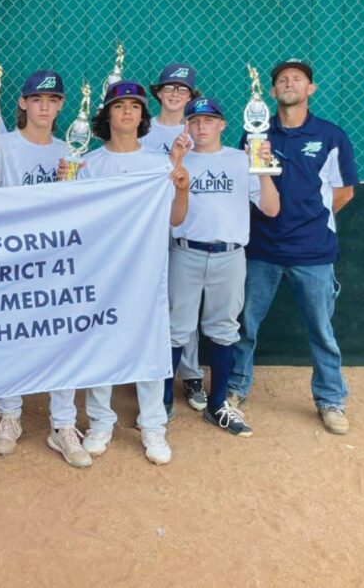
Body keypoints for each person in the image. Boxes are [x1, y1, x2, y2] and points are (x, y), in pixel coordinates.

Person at [0, 70, 92, 467]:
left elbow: (82, 213)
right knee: (10, 338)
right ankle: (9, 416)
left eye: (52, 101)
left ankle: (63, 426)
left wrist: (67, 186)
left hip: (56, 261)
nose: (44, 106)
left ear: (60, 107)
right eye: (37, 99)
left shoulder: (69, 151)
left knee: (61, 338)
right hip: (12, 258)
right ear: (22, 103)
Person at [228, 59, 358, 435]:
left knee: (321, 330)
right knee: (245, 326)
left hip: (314, 253)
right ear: (272, 92)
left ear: (310, 89)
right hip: (261, 249)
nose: (289, 84)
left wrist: (309, 221)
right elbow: (245, 188)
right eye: (282, 80)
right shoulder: (255, 135)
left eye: (297, 79)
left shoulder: (332, 136)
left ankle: (331, 399)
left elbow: (344, 192)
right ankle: (235, 387)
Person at [77, 80, 190, 465]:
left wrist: (183, 189)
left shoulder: (159, 164)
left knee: (149, 344)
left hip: (145, 269)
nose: (128, 112)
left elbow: (175, 219)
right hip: (101, 270)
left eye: (135, 107)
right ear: (107, 113)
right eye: (120, 105)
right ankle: (99, 421)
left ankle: (153, 424)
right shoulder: (89, 163)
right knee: (100, 342)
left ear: (143, 116)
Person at [164, 96, 280, 437]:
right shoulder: (176, 160)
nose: (202, 127)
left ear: (222, 125)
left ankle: (218, 405)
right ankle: (163, 403)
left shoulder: (240, 160)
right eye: (195, 121)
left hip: (229, 255)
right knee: (176, 328)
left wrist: (263, 171)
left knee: (224, 329)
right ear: (186, 125)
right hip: (185, 252)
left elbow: (272, 209)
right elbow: (170, 218)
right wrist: (174, 165)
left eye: (209, 120)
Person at [141, 64, 207, 411]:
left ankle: (192, 373)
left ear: (191, 96)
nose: (175, 94)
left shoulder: (198, 128)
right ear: (158, 93)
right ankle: (148, 371)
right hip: (148, 225)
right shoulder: (144, 129)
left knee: (184, 302)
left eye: (182, 90)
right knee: (150, 300)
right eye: (169, 88)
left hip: (187, 224)